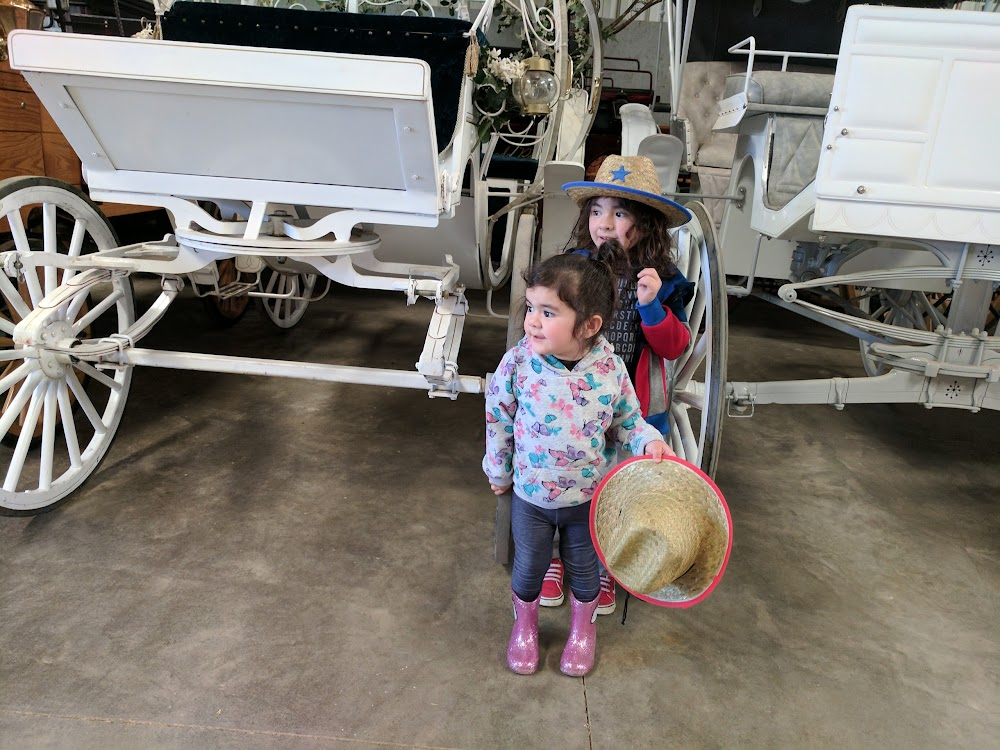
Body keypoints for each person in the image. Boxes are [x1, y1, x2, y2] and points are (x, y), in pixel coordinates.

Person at [483, 252, 671, 677]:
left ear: (589, 326)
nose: (531, 321)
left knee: (585, 570)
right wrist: (499, 469)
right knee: (528, 566)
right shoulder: (518, 363)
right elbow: (498, 416)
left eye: (548, 312)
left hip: (587, 499)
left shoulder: (609, 370)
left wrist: (650, 442)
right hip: (530, 495)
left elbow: (628, 420)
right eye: (531, 307)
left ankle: (583, 631)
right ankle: (525, 626)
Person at [540, 154, 694, 616]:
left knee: (616, 484)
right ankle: (555, 557)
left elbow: (674, 347)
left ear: (644, 225)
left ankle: (606, 562)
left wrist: (651, 306)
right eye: (597, 210)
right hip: (573, 399)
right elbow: (549, 325)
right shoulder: (573, 268)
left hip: (631, 405)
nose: (604, 223)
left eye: (620, 213)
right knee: (561, 475)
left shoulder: (664, 282)